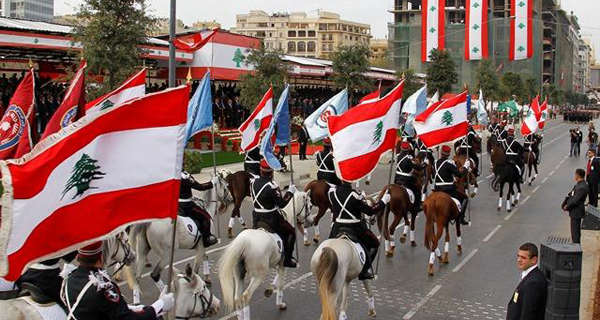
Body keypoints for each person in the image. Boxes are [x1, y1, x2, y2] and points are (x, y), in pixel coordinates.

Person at [61, 242, 174, 319]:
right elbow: (126, 318)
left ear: (78, 257)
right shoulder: (103, 287)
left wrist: (133, 307)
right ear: (101, 257)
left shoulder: (69, 278)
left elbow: (94, 307)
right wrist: (159, 306)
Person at [328, 180, 390, 280]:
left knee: (328, 246)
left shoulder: (332, 193)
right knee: (375, 244)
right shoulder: (355, 195)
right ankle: (364, 271)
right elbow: (370, 211)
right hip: (355, 227)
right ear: (351, 181)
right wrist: (384, 201)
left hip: (337, 226)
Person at [251, 159, 298, 268]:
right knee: (291, 232)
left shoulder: (253, 182)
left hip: (257, 217)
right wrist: (290, 192)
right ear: (271, 172)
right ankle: (287, 259)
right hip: (270, 218)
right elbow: (281, 204)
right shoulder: (272, 186)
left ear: (261, 170)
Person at [506, 243, 548, 320]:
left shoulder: (533, 283)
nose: (519, 260)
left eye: (523, 258)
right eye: (518, 256)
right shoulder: (529, 275)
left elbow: (528, 314)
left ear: (534, 260)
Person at [179, 170, 219, 248]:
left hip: (176, 204)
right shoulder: (185, 176)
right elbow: (200, 187)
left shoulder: (172, 174)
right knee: (206, 217)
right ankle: (207, 240)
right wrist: (212, 183)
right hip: (186, 205)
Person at [433, 145, 470, 225]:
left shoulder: (435, 163)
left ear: (441, 153)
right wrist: (466, 167)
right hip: (448, 188)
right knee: (465, 197)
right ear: (448, 154)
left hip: (437, 188)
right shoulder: (449, 163)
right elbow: (459, 174)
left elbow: (433, 176)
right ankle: (461, 217)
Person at [394, 141, 426, 212]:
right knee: (417, 190)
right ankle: (417, 206)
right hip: (406, 179)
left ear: (401, 148)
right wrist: (425, 164)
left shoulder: (397, 156)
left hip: (396, 178)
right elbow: (418, 168)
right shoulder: (409, 158)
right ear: (408, 149)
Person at [562, 168, 588, 244]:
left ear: (578, 175)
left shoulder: (581, 187)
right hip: (575, 212)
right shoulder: (579, 185)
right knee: (574, 231)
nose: (574, 176)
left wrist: (567, 207)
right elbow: (571, 195)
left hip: (576, 212)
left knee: (575, 233)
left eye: (575, 174)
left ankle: (576, 249)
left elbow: (575, 201)